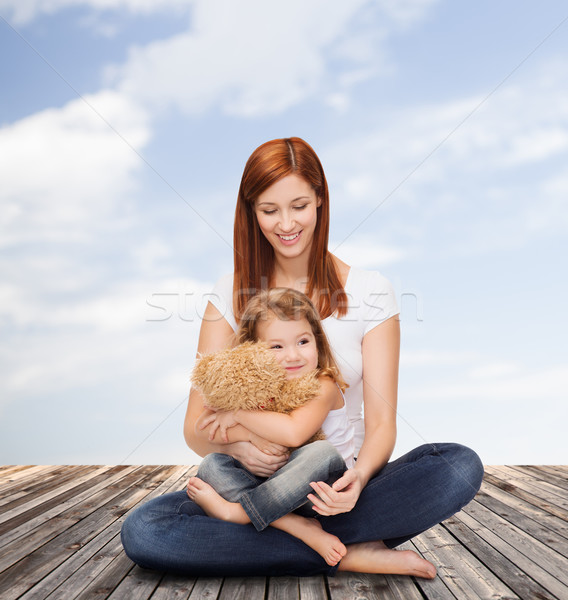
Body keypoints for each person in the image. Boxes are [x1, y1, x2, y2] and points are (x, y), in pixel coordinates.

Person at [121, 137, 484, 578]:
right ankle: (345, 551)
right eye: (269, 210)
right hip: (253, 484)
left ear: (320, 202)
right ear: (251, 212)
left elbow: (383, 422)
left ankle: (290, 536)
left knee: (457, 465)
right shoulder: (227, 294)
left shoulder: (371, 291)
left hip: (336, 485)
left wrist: (360, 481)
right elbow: (196, 428)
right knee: (146, 530)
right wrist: (238, 447)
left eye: (298, 206)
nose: (286, 223)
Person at [187, 287, 356, 567]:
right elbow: (206, 427)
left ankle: (240, 514)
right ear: (252, 352)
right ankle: (293, 525)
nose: (293, 356)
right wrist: (246, 433)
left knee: (321, 452)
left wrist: (239, 415)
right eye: (276, 347)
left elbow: (293, 433)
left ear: (317, 341)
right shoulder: (257, 389)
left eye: (302, 342)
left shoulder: (323, 385)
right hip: (275, 494)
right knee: (211, 466)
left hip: (322, 493)